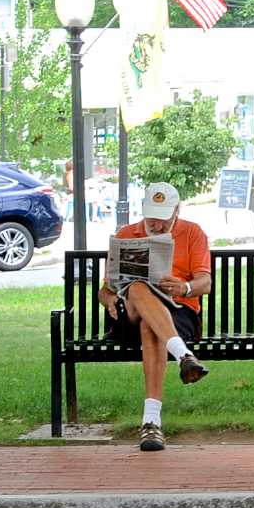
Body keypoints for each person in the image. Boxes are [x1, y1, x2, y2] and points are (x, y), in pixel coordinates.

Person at [99, 181, 211, 451]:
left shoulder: (192, 232)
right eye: (151, 218)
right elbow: (105, 290)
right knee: (137, 286)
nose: (156, 225)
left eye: (163, 219)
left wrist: (184, 287)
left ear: (176, 211)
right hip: (129, 313)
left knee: (151, 326)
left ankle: (151, 423)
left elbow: (205, 283)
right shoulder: (127, 234)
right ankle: (183, 355)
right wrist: (110, 299)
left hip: (177, 310)